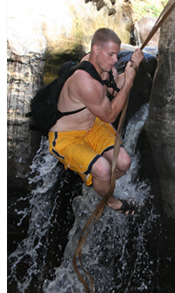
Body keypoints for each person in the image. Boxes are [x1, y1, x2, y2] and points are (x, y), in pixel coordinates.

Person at [48, 28, 144, 214]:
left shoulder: (107, 70)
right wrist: (130, 82)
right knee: (102, 169)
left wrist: (132, 67)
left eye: (117, 54)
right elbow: (110, 116)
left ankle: (98, 183)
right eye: (111, 54)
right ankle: (111, 201)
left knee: (123, 163)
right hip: (67, 137)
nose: (115, 60)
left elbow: (116, 89)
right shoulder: (84, 80)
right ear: (96, 50)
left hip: (93, 126)